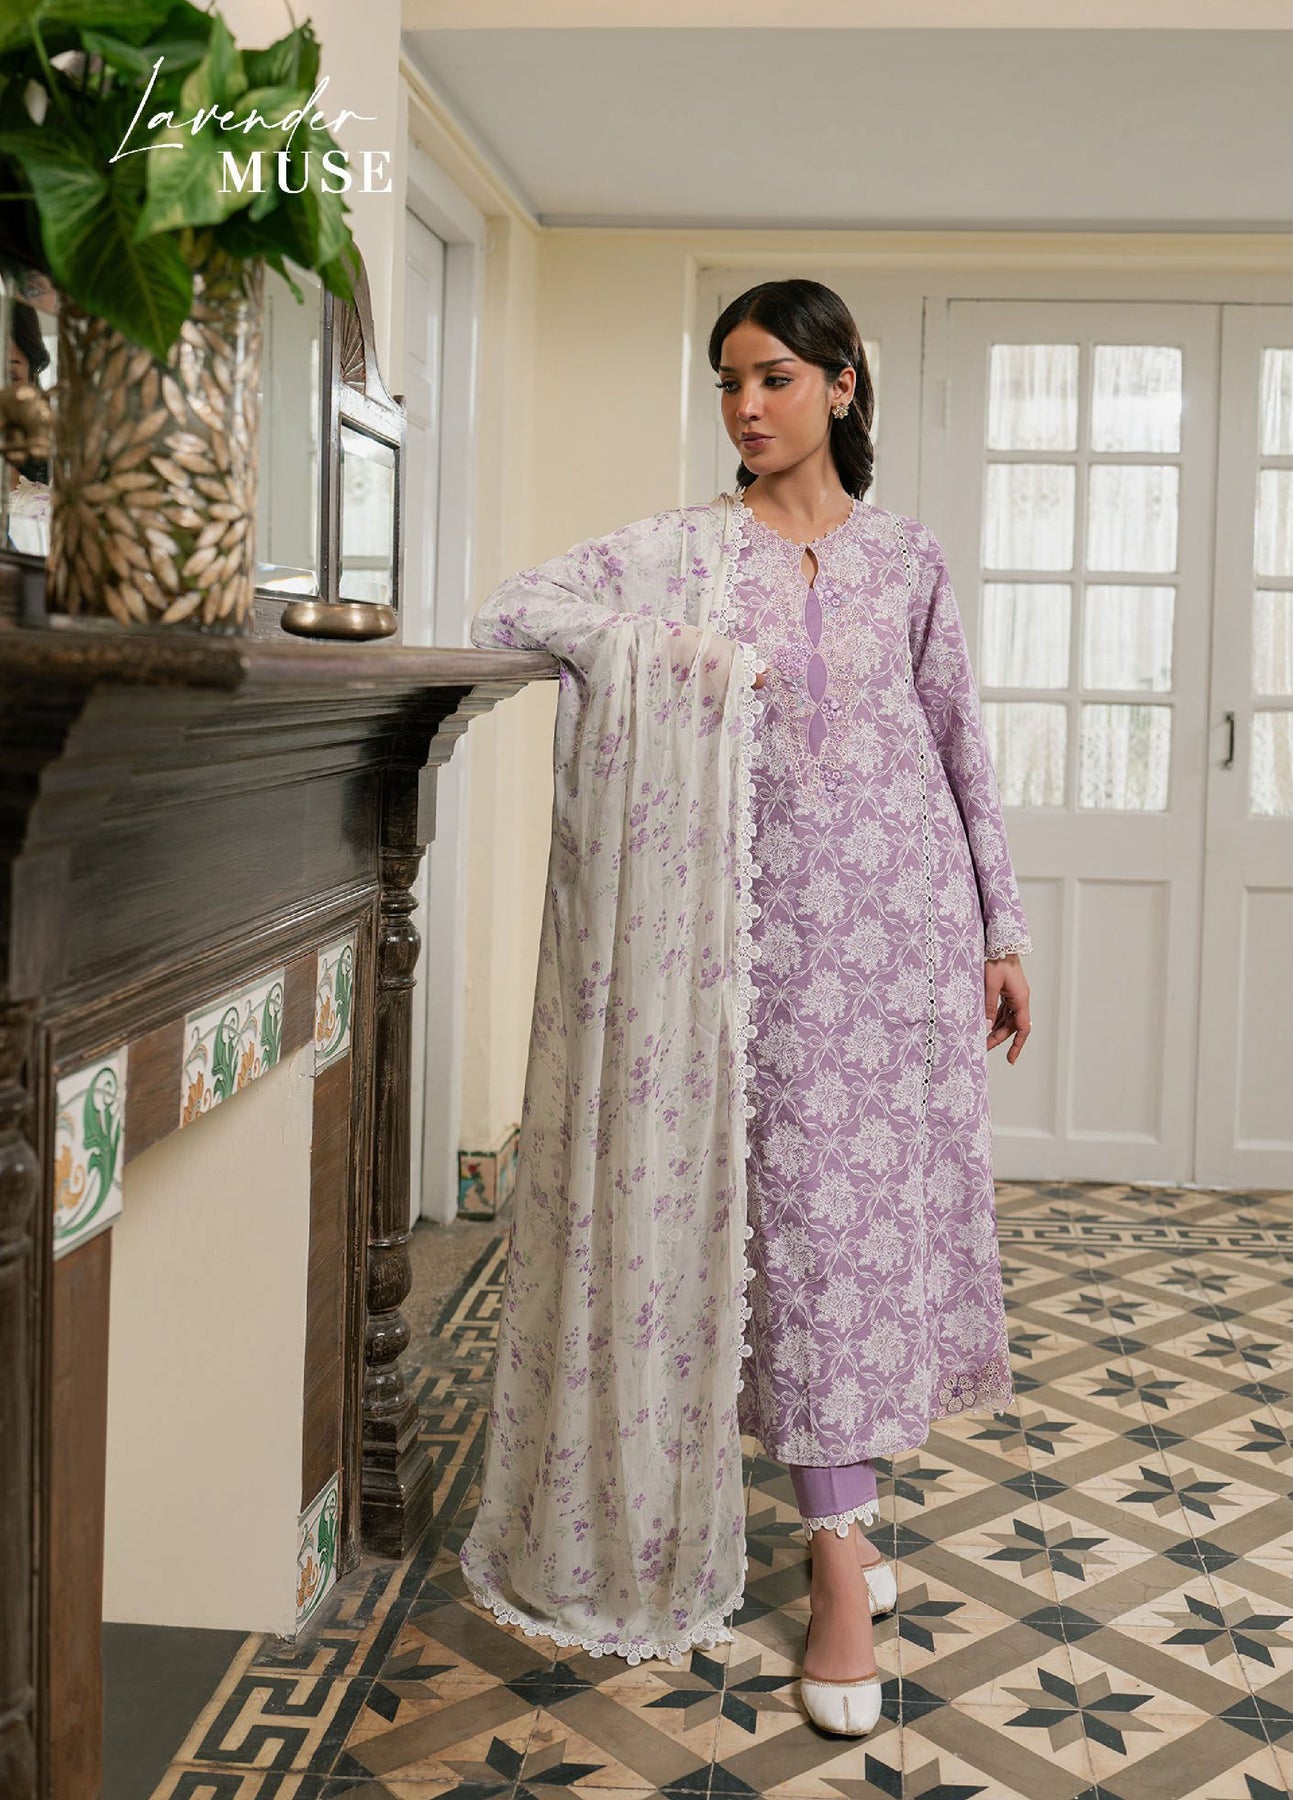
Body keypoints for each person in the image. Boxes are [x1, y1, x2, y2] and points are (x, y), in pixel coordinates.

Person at [462, 279, 1032, 1738]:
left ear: (843, 384)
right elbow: (521, 608)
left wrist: (1001, 931)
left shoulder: (906, 555)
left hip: (904, 944)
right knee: (799, 1241)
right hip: (760, 948)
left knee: (871, 1238)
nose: (745, 407)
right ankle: (839, 1568)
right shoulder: (686, 554)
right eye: (727, 382)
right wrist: (700, 660)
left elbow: (958, 742)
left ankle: (846, 1507)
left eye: (773, 377)